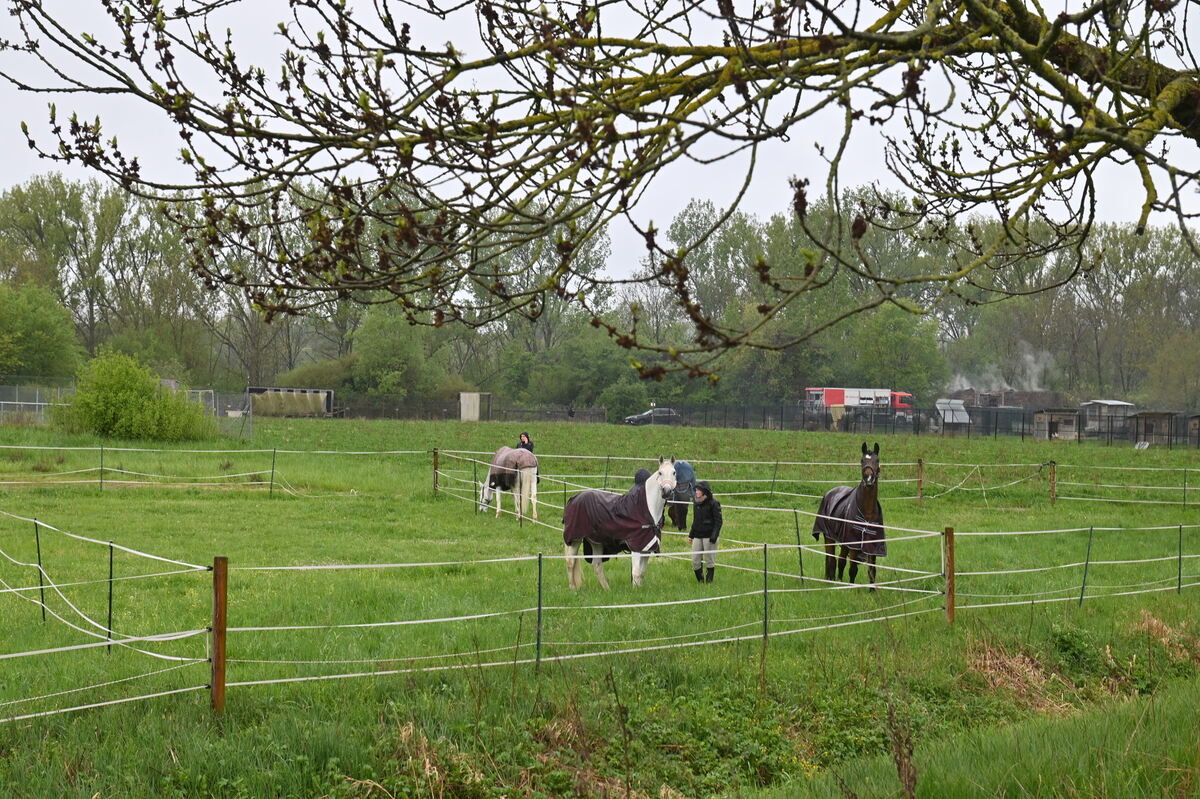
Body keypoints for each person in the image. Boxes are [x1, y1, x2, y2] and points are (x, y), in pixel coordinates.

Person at [688, 480, 722, 583]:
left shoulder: (714, 503)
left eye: (699, 490)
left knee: (709, 560)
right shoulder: (696, 502)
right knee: (695, 560)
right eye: (696, 490)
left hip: (709, 536)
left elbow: (718, 521)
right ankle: (701, 581)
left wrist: (714, 536)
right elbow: (695, 520)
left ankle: (709, 583)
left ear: (704, 491)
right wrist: (691, 535)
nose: (696, 492)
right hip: (698, 535)